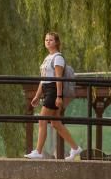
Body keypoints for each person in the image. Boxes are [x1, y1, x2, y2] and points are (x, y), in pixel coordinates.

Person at [24, 31, 82, 160]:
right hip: (47, 89)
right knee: (55, 123)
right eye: (46, 40)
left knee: (42, 119)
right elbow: (43, 79)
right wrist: (37, 96)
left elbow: (58, 79)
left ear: (56, 42)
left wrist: (59, 96)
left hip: (53, 90)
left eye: (50, 40)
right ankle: (75, 148)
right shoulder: (47, 58)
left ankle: (38, 151)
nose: (48, 42)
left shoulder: (58, 58)